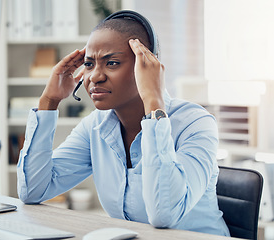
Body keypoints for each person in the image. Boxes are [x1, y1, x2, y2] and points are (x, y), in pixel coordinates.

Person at [17, 10, 230, 236]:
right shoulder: (95, 127)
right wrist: (49, 101)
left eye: (113, 63)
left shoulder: (195, 123)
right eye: (89, 64)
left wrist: (154, 103)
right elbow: (32, 191)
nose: (95, 77)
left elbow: (164, 214)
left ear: (146, 66)